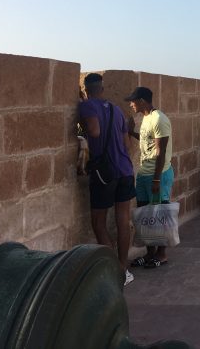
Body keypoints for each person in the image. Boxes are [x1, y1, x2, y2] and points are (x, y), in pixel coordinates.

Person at [78, 73, 136, 286]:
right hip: (125, 170)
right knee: (122, 220)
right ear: (102, 89)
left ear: (86, 89)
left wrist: (82, 127)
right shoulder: (117, 110)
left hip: (105, 172)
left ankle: (112, 270)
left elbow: (94, 131)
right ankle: (123, 268)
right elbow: (126, 144)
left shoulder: (87, 106)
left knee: (98, 221)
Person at [126, 86, 174, 269]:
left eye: (133, 101)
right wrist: (131, 133)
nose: (131, 104)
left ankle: (161, 254)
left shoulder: (159, 119)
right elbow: (148, 142)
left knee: (160, 214)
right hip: (145, 173)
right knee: (145, 215)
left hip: (158, 173)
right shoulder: (146, 119)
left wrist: (156, 180)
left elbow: (160, 152)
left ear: (143, 101)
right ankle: (149, 253)